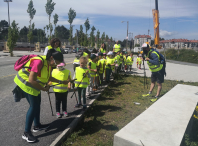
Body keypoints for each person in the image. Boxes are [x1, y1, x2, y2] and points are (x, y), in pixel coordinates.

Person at [14, 49, 71, 143]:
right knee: (34, 106)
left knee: (37, 104)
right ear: (51, 58)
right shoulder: (39, 62)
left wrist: (61, 82)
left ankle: (37, 126)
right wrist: (44, 89)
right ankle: (26, 133)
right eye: (56, 63)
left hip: (34, 85)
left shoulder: (48, 63)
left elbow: (48, 77)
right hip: (25, 83)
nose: (56, 65)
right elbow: (31, 80)